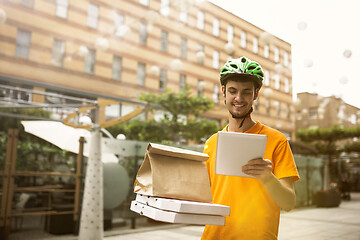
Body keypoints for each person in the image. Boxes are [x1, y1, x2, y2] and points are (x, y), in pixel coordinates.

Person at [201, 56, 300, 240]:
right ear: (223, 91)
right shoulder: (212, 143)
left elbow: (289, 202)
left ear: (255, 94)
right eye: (233, 91)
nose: (239, 98)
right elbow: (201, 197)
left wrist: (267, 178)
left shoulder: (277, 140)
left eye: (246, 92)